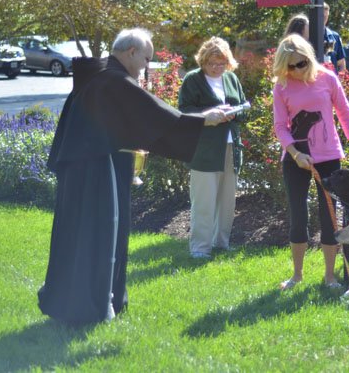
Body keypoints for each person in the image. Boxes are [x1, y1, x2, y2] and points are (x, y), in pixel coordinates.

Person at [38, 28, 226, 325]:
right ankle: (95, 305)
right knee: (100, 233)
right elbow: (157, 114)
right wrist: (204, 119)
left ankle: (74, 301)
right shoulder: (114, 81)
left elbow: (134, 119)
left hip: (83, 169)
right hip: (97, 170)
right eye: (146, 59)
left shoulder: (99, 75)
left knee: (79, 233)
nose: (146, 67)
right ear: (131, 52)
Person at [272, 34, 349, 290]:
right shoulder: (281, 85)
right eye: (290, 66)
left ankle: (329, 277)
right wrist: (295, 154)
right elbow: (281, 127)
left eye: (301, 63)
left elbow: (345, 113)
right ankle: (297, 275)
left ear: (309, 57)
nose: (296, 70)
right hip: (296, 159)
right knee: (298, 215)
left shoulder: (328, 78)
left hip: (329, 158)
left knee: (329, 217)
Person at [178, 37, 247, 258]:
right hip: (204, 150)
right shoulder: (192, 80)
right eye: (212, 64)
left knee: (227, 200)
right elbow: (184, 113)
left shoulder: (232, 78)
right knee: (204, 202)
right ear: (203, 61)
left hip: (230, 148)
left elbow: (243, 107)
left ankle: (221, 243)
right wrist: (208, 117)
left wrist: (236, 112)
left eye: (222, 64)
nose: (217, 68)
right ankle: (200, 248)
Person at [323, 2, 346, 72]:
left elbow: (341, 62)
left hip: (331, 81)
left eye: (325, 16)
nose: (323, 19)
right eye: (321, 16)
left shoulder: (334, 36)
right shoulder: (307, 35)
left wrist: (341, 80)